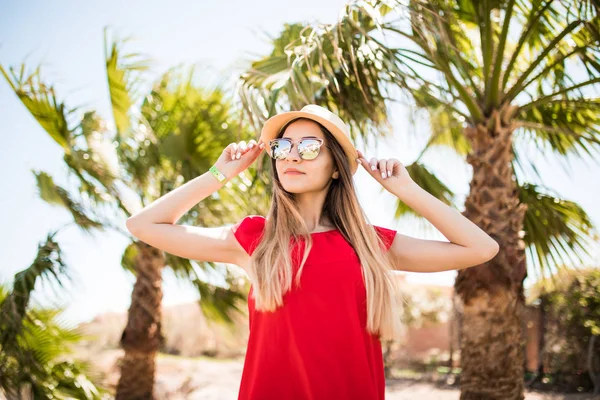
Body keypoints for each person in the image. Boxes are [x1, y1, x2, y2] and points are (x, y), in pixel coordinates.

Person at [126, 104, 499, 399]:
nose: (291, 156)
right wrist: (219, 175)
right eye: (282, 147)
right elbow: (143, 225)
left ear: (336, 166)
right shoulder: (254, 239)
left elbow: (481, 248)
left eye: (308, 148)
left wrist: (407, 191)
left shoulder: (369, 244)